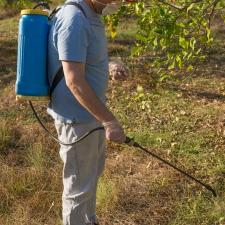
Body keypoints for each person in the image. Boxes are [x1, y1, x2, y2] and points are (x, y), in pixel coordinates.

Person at [47, 0, 126, 224]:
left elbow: (82, 58)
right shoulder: (74, 19)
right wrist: (110, 121)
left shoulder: (92, 14)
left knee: (89, 180)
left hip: (92, 117)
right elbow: (74, 81)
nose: (119, 3)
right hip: (77, 121)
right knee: (79, 190)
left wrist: (109, 66)